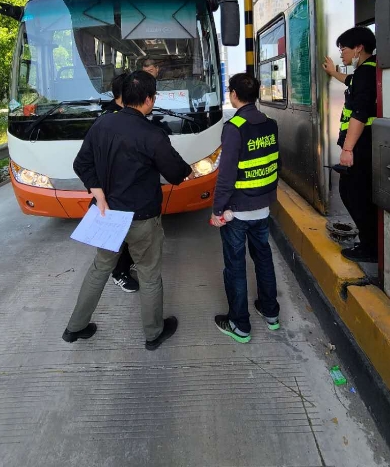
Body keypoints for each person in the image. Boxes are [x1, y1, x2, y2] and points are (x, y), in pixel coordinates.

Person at [62, 71, 192, 350]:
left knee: (100, 268)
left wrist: (98, 193)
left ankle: (75, 327)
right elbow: (176, 173)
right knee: (149, 273)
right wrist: (187, 169)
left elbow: (81, 164)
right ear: (149, 100)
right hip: (142, 218)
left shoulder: (102, 124)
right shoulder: (152, 134)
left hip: (107, 214)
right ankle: (153, 333)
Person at [210, 73, 280, 344]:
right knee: (263, 258)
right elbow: (273, 162)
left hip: (237, 212)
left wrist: (217, 210)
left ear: (234, 95)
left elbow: (226, 176)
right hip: (262, 208)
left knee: (235, 267)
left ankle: (239, 325)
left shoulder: (234, 127)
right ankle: (270, 312)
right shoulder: (270, 123)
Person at [322, 26, 378, 263]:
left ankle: (370, 248)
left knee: (353, 194)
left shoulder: (366, 72)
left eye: (343, 49)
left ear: (358, 48)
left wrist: (347, 149)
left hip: (361, 145)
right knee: (357, 193)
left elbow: (360, 114)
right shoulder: (369, 70)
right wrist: (334, 73)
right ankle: (370, 243)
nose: (341, 53)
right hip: (365, 143)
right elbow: (350, 81)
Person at [101, 72, 138, 294]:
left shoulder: (124, 114)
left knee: (131, 232)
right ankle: (119, 273)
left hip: (129, 187)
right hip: (117, 189)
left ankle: (127, 264)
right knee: (120, 235)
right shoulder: (110, 119)